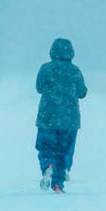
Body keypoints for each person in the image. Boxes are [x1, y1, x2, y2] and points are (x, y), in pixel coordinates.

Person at [35, 38, 87, 193]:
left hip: (47, 117)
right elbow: (82, 92)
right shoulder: (75, 71)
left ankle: (48, 166)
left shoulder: (45, 69)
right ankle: (58, 182)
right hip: (69, 119)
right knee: (64, 149)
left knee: (46, 146)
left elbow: (39, 88)